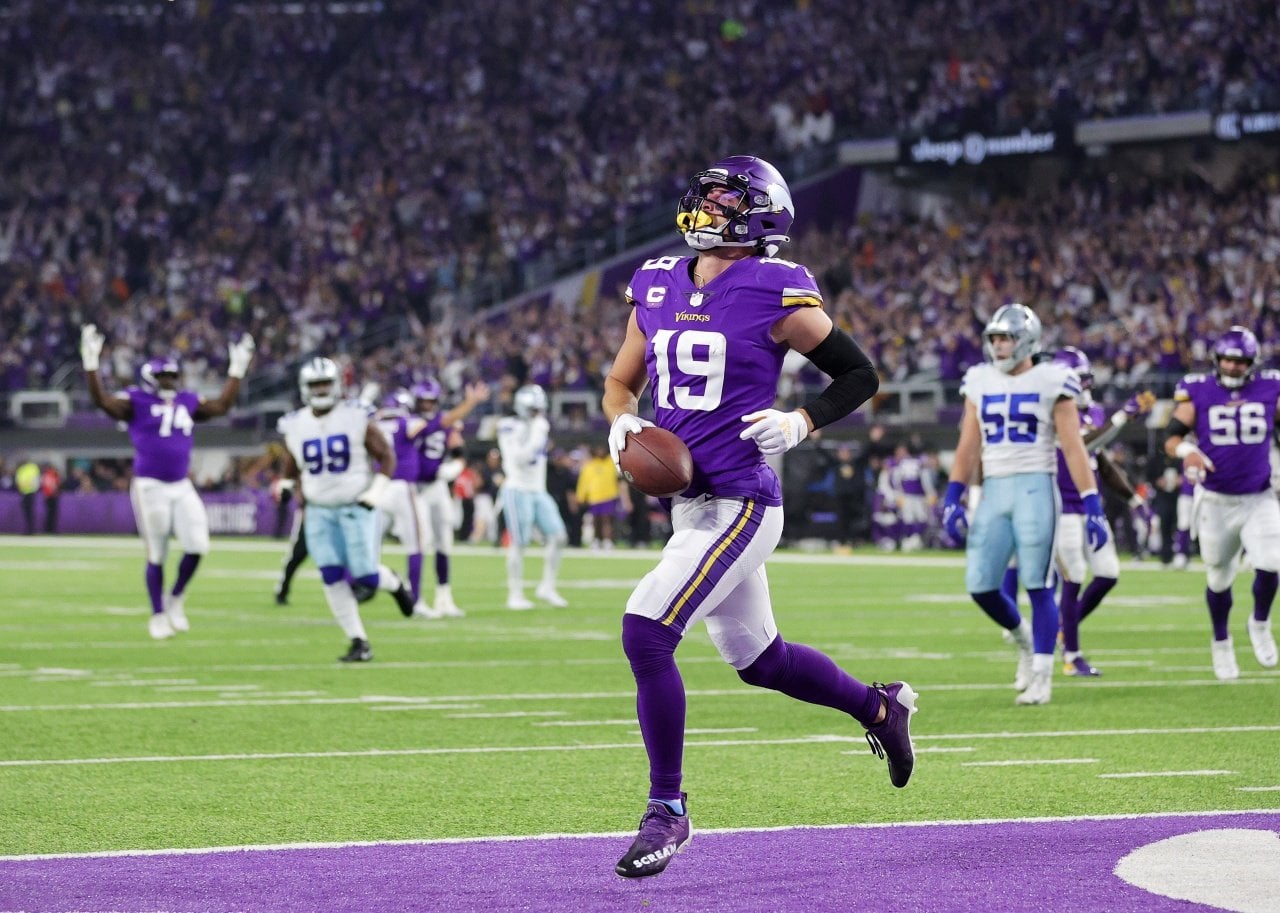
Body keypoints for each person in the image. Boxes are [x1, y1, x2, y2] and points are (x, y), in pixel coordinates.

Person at [601, 155, 913, 879]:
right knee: (760, 661)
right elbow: (622, 380)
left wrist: (803, 420)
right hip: (689, 503)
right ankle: (879, 709)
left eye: (722, 200)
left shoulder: (777, 287)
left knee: (646, 631)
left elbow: (860, 373)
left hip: (741, 498)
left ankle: (667, 809)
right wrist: (621, 425)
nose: (706, 209)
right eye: (704, 197)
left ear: (758, 215)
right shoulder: (654, 282)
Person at [941, 304, 1105, 706]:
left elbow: (1073, 446)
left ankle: (1044, 675)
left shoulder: (1053, 379)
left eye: (1006, 338)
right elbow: (968, 444)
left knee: (1038, 583)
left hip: (1036, 486)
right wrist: (953, 494)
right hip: (995, 488)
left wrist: (1092, 502)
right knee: (981, 586)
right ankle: (1026, 641)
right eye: (994, 338)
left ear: (1027, 340)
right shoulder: (978, 380)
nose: (999, 345)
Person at [80, 324, 255, 639]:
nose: (169, 383)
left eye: (172, 377)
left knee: (198, 545)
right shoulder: (135, 401)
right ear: (149, 379)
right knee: (157, 552)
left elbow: (222, 406)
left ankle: (175, 598)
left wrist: (237, 369)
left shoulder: (187, 401)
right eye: (163, 378)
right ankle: (157, 614)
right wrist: (91, 366)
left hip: (180, 484)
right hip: (150, 486)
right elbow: (103, 402)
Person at [1008, 347, 1155, 677]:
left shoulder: (1096, 412)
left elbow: (1099, 460)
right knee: (1074, 575)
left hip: (1088, 505)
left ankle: (1061, 626)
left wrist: (1133, 500)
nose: (1084, 388)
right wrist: (1124, 417)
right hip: (1059, 506)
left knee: (1108, 573)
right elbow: (1082, 443)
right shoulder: (1049, 411)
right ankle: (1072, 656)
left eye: (1086, 381)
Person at [276, 357, 416, 662]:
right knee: (330, 573)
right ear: (305, 388)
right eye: (316, 384)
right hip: (318, 510)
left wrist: (376, 491)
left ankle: (394, 582)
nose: (322, 389)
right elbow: (292, 461)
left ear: (337, 384)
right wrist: (286, 484)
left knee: (365, 574)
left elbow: (386, 456)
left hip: (355, 505)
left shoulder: (355, 416)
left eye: (326, 383)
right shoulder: (295, 423)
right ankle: (358, 641)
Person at [1163, 326, 1280, 680]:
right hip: (1215, 500)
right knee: (1218, 578)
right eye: (1227, 360)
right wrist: (1189, 452)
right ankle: (1221, 640)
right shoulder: (1197, 389)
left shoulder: (1269, 386)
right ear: (1216, 360)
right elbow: (1172, 439)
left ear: (1251, 363)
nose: (1232, 367)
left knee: (1272, 562)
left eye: (1239, 361)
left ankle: (1259, 621)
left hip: (1258, 495)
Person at [407, 378, 490, 618]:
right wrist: (470, 403)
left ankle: (444, 597)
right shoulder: (413, 422)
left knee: (444, 542)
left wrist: (455, 466)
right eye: (423, 401)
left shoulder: (446, 425)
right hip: (415, 489)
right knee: (421, 543)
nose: (427, 405)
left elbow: (457, 449)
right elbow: (445, 421)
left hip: (437, 487)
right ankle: (417, 597)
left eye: (431, 401)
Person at [497, 383, 570, 609]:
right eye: (534, 409)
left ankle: (547, 587)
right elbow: (518, 457)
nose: (538, 413)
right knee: (520, 543)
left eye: (540, 409)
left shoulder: (540, 424)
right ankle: (515, 594)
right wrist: (537, 436)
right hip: (516, 489)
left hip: (538, 490)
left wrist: (538, 432)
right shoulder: (508, 426)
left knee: (559, 537)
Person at [576, 443, 621, 548]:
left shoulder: (611, 462)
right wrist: (581, 496)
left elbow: (618, 477)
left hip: (609, 496)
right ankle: (596, 540)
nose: (600, 452)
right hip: (594, 497)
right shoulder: (590, 465)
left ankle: (607, 541)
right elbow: (584, 481)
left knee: (607, 519)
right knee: (595, 520)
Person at [15, 458, 38, 535]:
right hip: (26, 493)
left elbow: (34, 480)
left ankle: (30, 530)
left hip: (29, 493)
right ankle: (29, 530)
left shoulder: (30, 468)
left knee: (29, 512)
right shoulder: (28, 468)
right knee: (27, 513)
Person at [39, 463, 61, 533]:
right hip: (51, 496)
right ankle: (50, 529)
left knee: (50, 514)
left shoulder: (46, 475)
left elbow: (44, 486)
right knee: (51, 514)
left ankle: (48, 529)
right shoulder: (52, 475)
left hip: (48, 496)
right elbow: (54, 486)